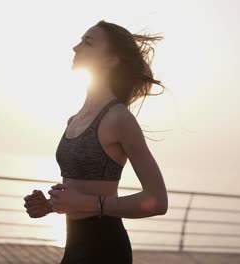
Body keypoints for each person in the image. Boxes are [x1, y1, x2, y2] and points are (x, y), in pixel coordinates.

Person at [23, 20, 168, 264]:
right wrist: (50, 205)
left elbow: (158, 201)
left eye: (88, 42)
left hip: (105, 249)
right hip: (74, 247)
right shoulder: (75, 119)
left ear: (110, 60)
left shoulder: (119, 118)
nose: (75, 47)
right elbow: (81, 191)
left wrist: (87, 203)